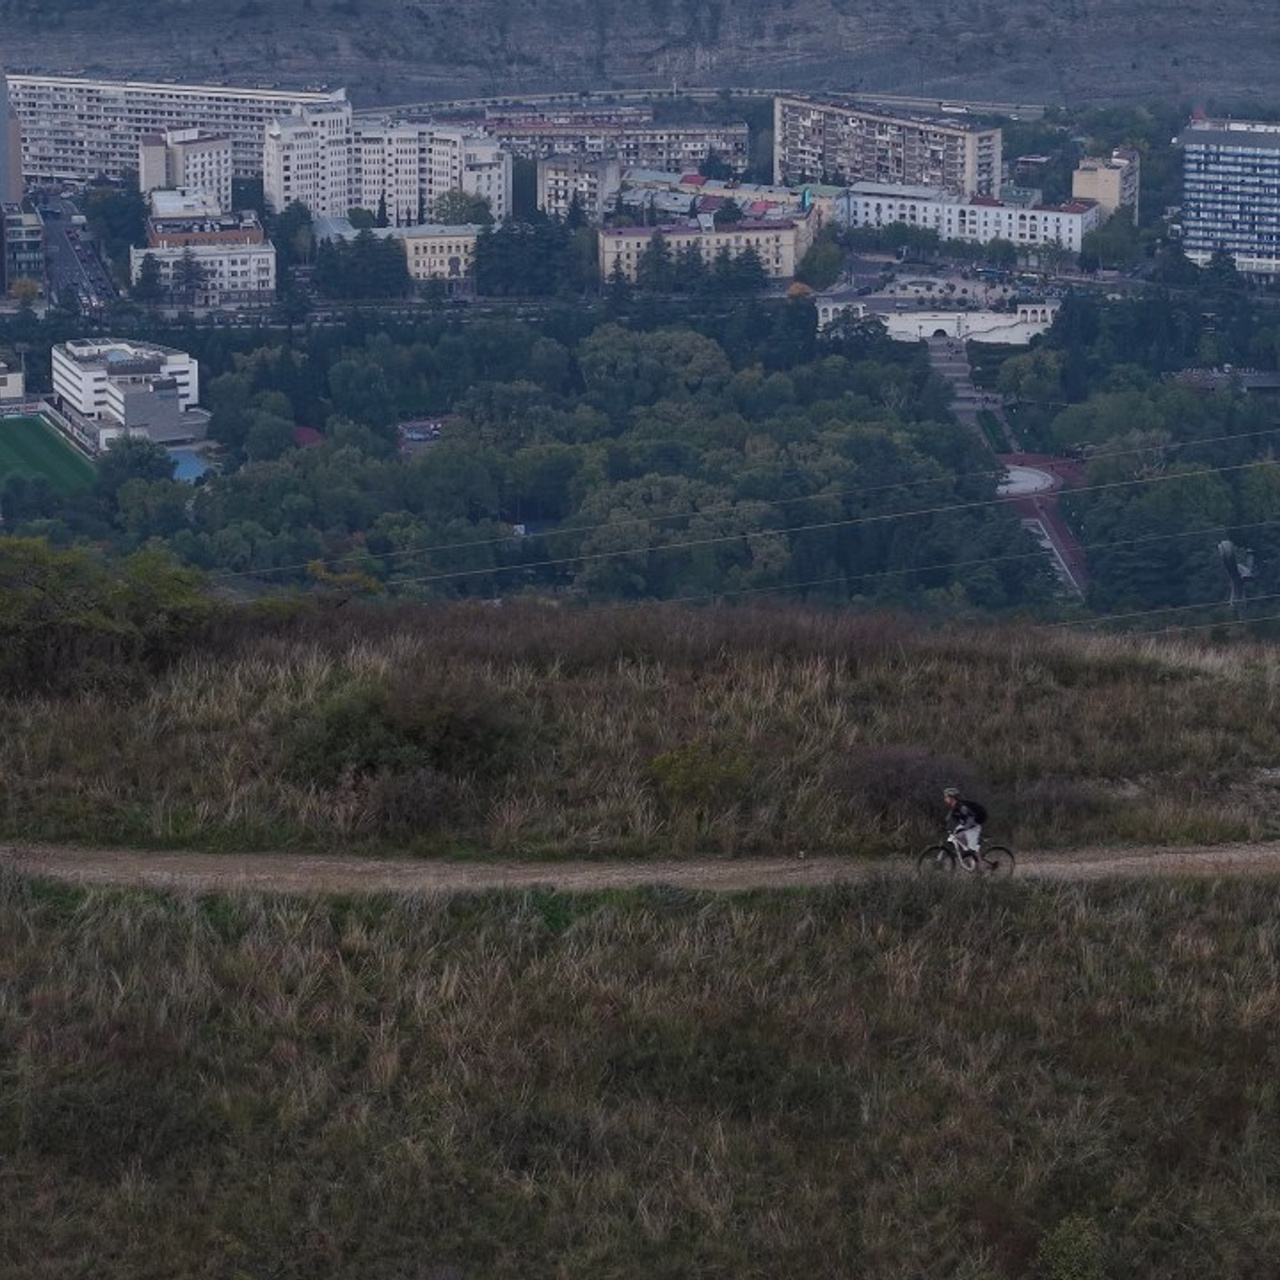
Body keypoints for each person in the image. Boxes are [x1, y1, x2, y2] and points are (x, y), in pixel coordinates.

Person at [943, 786, 987, 866]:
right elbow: (949, 818)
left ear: (952, 798)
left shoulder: (962, 807)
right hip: (966, 824)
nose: (945, 799)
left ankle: (982, 867)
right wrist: (945, 826)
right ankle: (967, 856)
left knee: (972, 849)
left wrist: (964, 828)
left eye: (946, 797)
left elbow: (971, 818)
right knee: (956, 836)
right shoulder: (954, 807)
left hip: (974, 825)